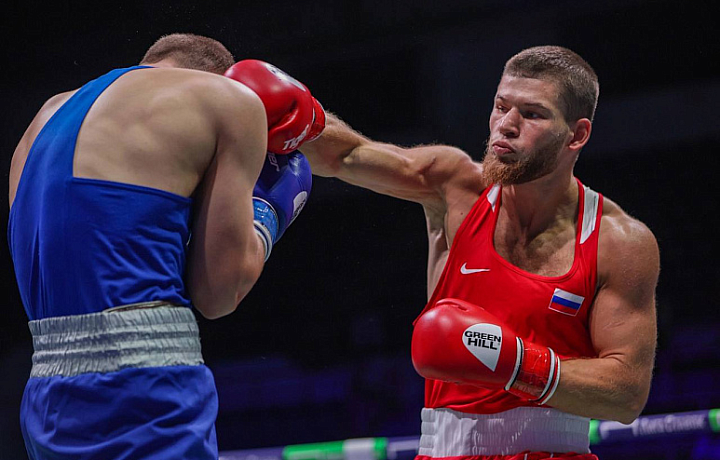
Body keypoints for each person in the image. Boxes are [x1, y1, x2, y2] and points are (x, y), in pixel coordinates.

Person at [294, 46, 659, 459]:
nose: (506, 125)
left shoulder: (618, 241)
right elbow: (345, 156)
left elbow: (626, 394)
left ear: (576, 135)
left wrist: (515, 364)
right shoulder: (455, 187)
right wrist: (278, 112)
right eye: (501, 107)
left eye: (532, 114)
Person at [8, 34, 322, 459]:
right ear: (216, 76)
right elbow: (218, 293)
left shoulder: (44, 118)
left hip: (45, 397)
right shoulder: (229, 100)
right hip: (146, 387)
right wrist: (268, 213)